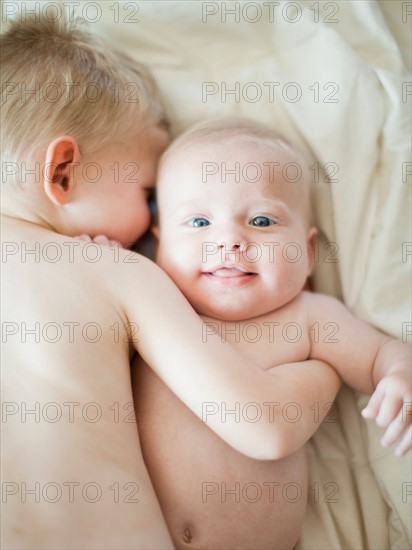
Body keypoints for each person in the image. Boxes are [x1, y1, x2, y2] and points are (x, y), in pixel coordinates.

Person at [0, 17, 339, 548]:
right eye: (149, 193)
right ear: (63, 171)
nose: (151, 226)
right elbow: (261, 425)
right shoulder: (118, 271)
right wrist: (325, 371)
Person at [133, 118, 412, 549]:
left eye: (262, 220)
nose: (228, 239)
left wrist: (401, 376)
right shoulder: (150, 301)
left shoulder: (309, 318)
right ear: (157, 245)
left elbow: (380, 356)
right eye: (199, 222)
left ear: (309, 252)